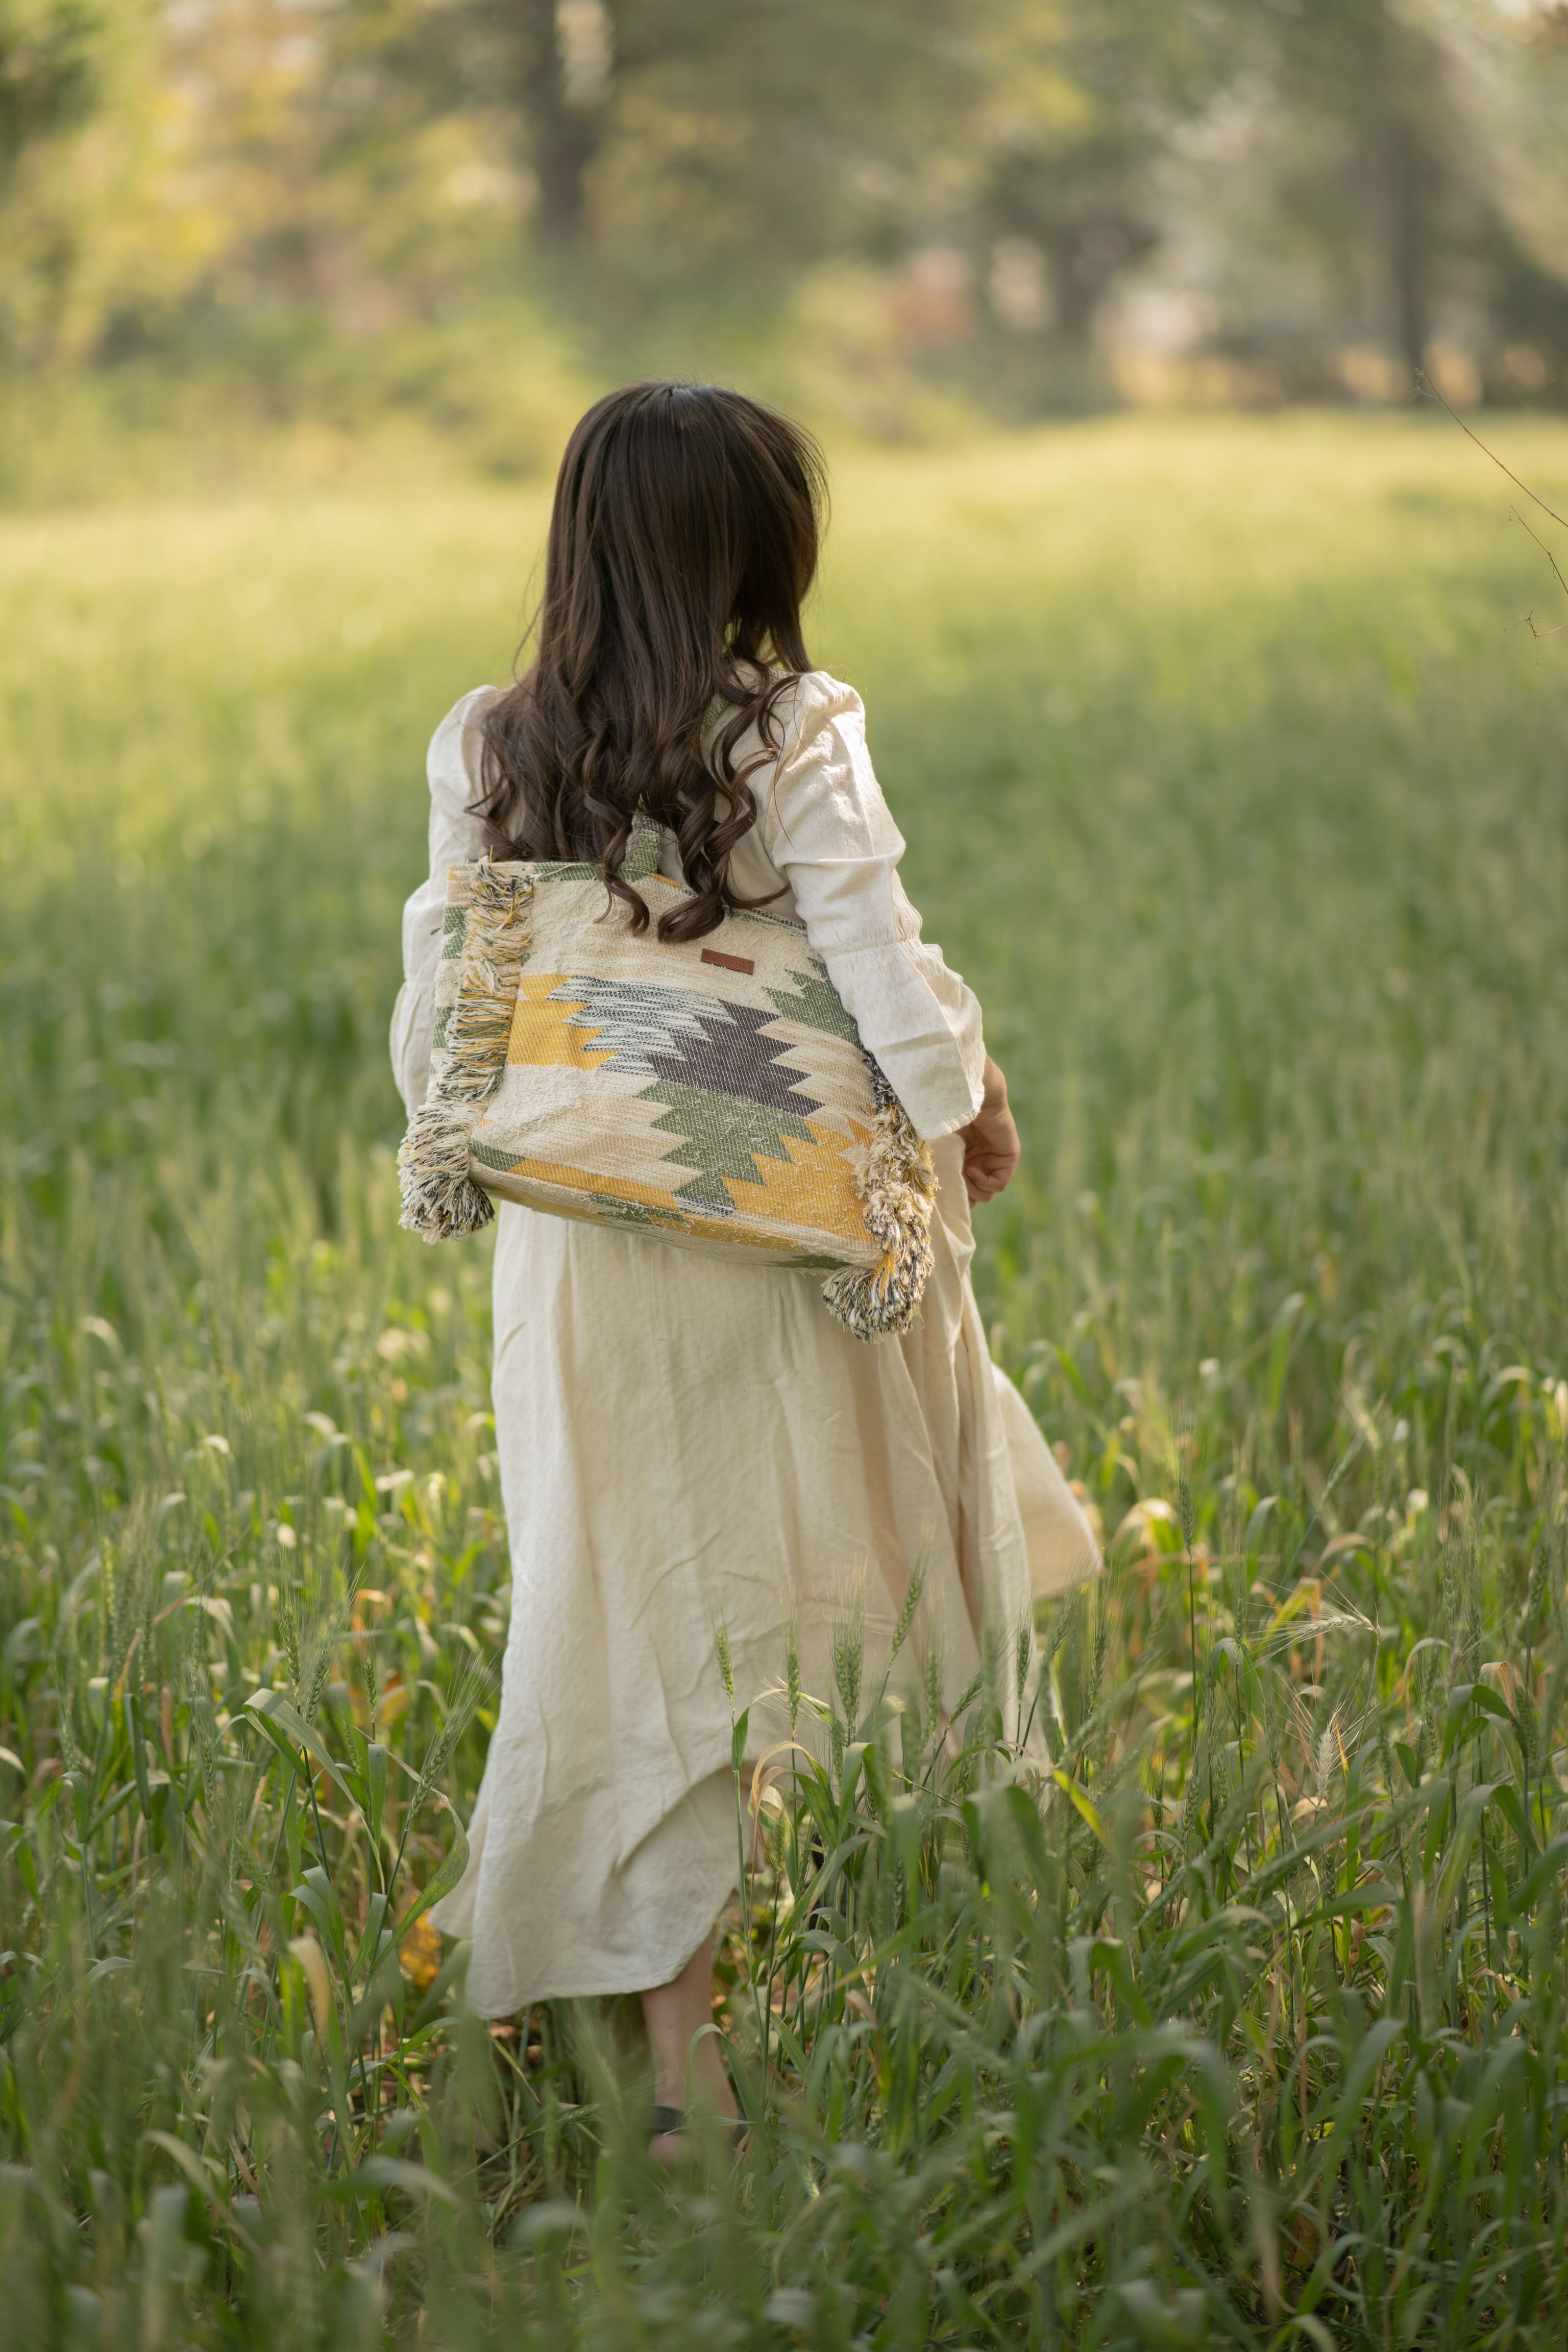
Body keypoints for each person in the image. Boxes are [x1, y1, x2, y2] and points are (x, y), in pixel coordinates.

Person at [390, 380, 1097, 2158]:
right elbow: (873, 940)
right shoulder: (793, 726)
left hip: (595, 1249)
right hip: (783, 1224)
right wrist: (968, 1104)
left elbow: (447, 1009)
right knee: (818, 1540)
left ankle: (678, 2044)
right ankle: (942, 1947)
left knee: (632, 1601)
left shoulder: (487, 743)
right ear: (765, 547)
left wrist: (471, 1137)